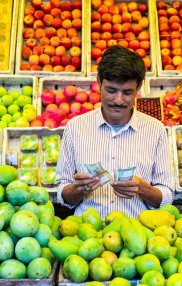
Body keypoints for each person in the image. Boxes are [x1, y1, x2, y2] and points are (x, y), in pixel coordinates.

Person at [56, 45, 174, 219]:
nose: (118, 100)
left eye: (127, 92)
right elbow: (63, 194)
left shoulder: (155, 130)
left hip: (138, 234)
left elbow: (167, 195)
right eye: (111, 90)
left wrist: (144, 189)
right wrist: (77, 189)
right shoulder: (75, 128)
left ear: (139, 87)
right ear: (99, 82)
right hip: (87, 235)